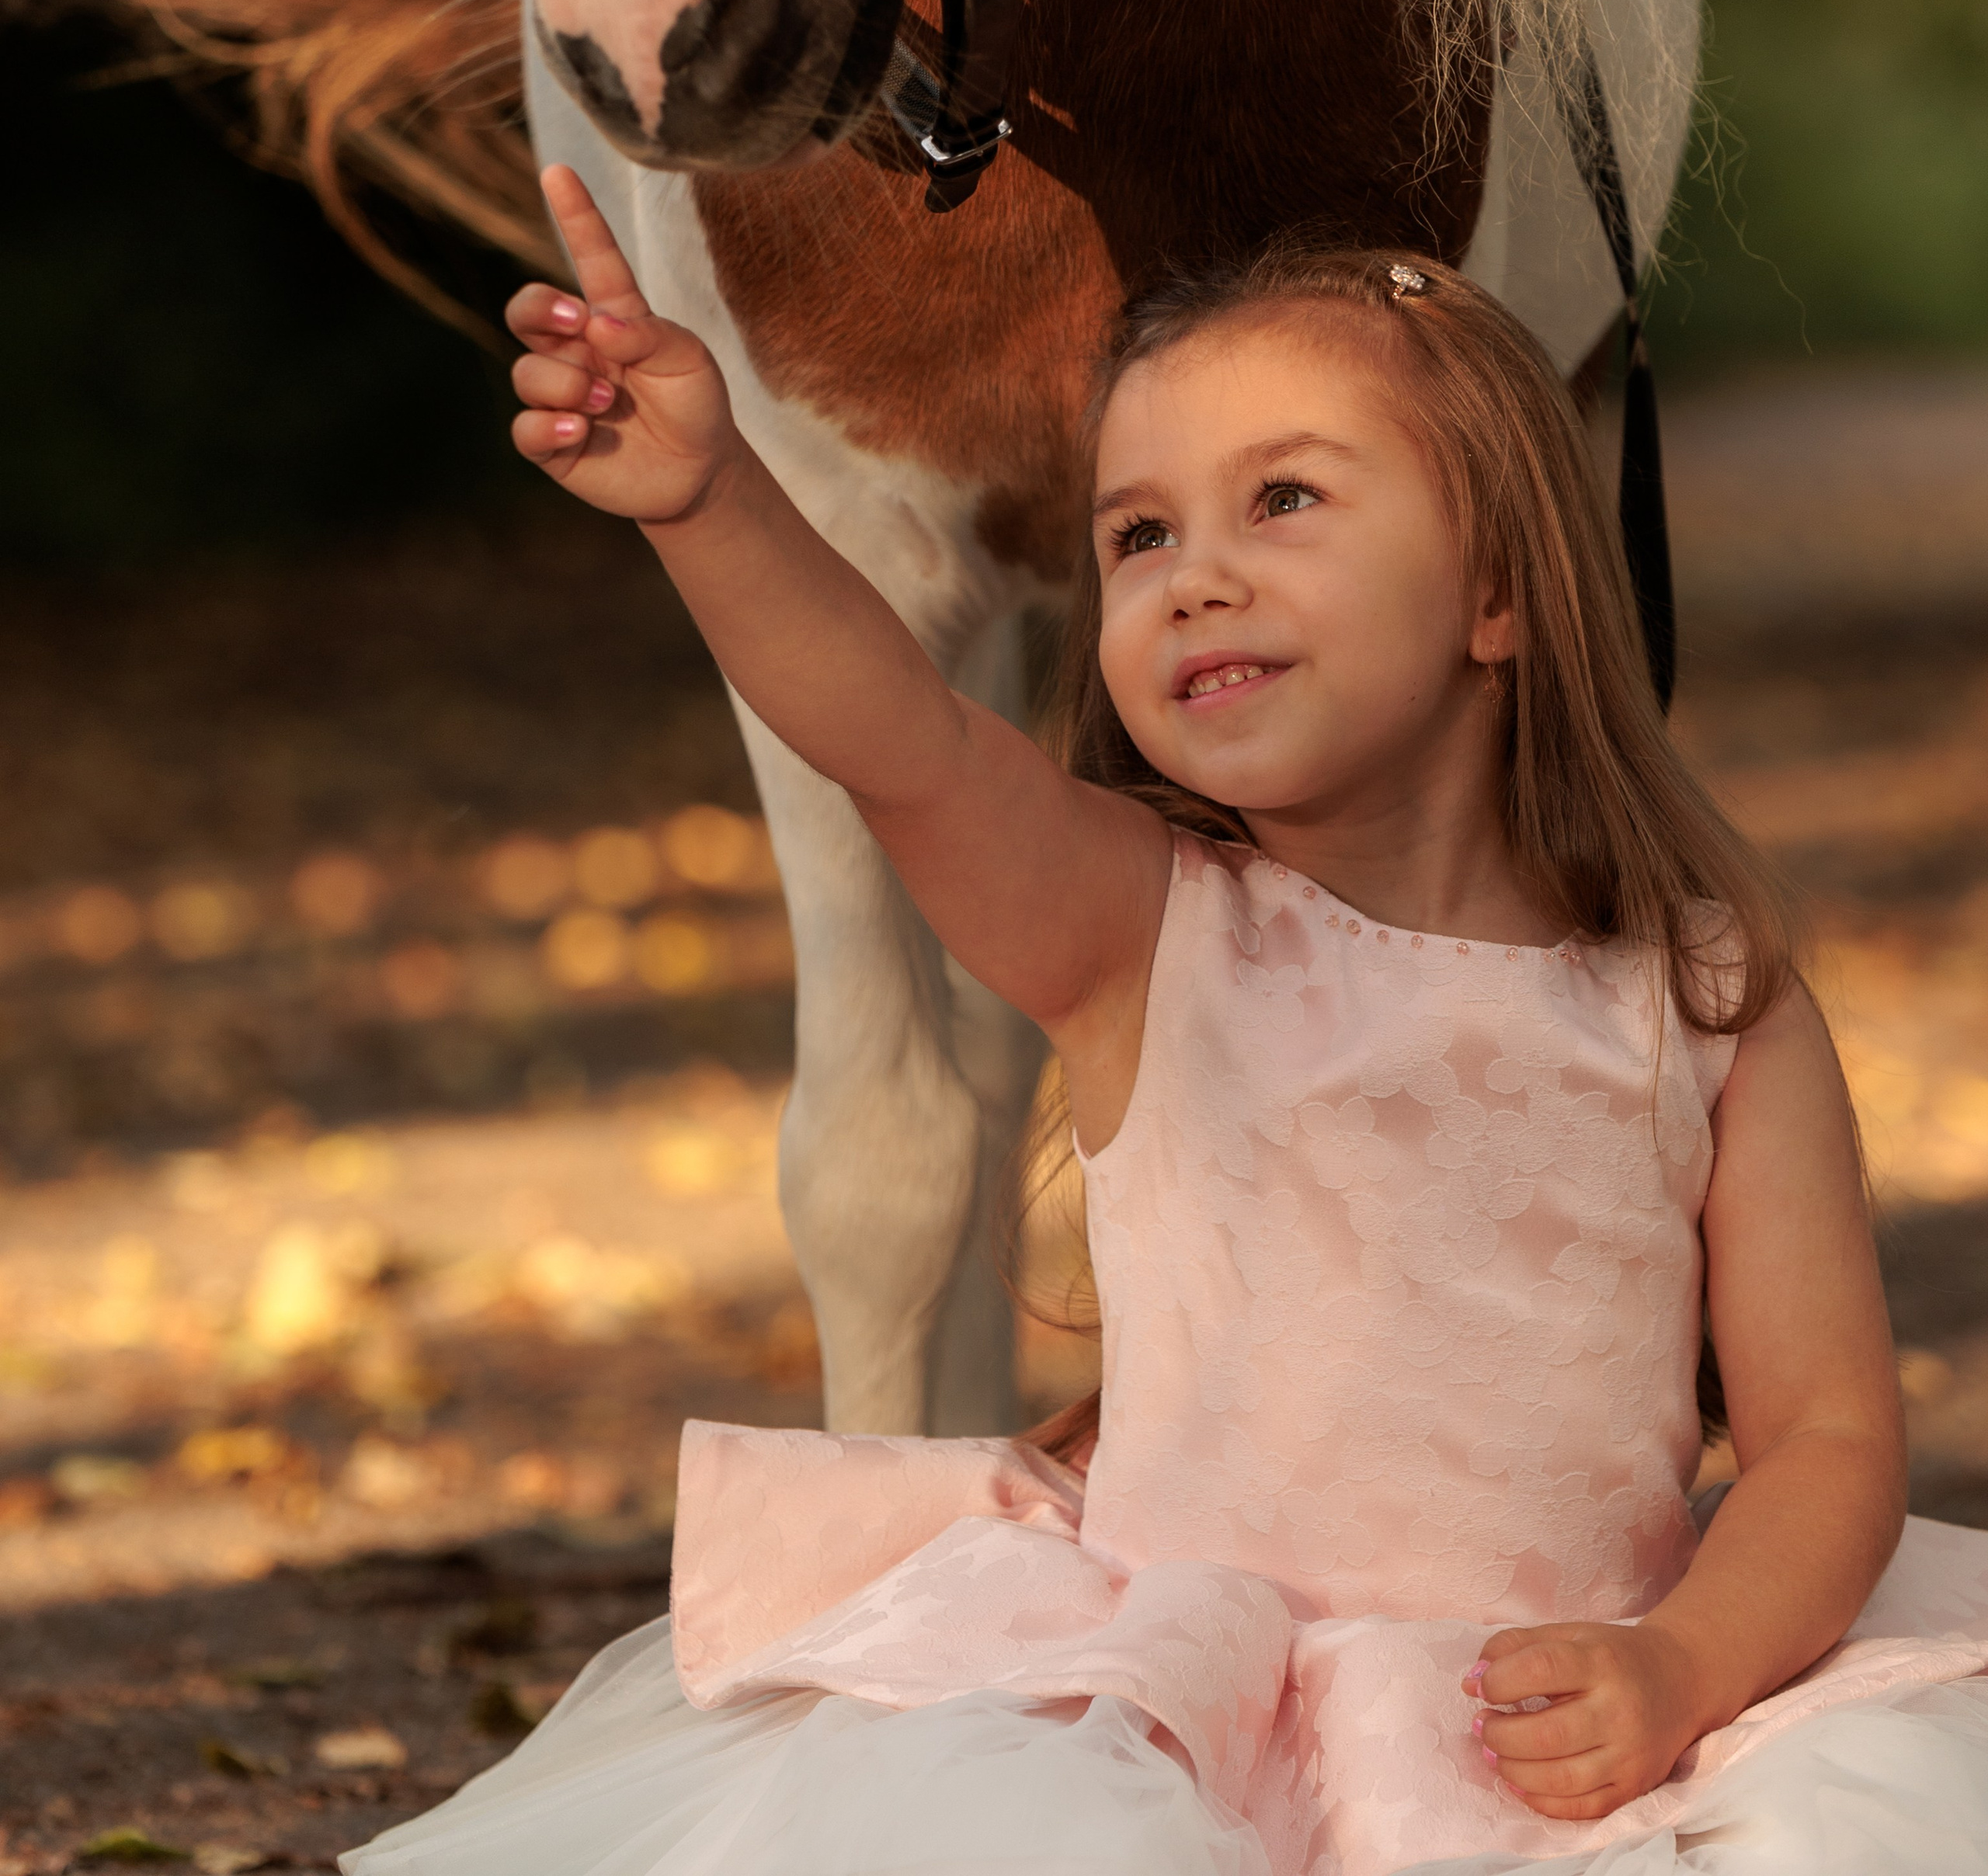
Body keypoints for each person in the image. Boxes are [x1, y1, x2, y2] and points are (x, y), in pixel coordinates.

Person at [348, 167, 1988, 1876]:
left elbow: (1822, 1439)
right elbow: (899, 735)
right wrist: (707, 501)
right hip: (1169, 1742)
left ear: (1495, 590)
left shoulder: (1705, 1003)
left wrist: (1681, 1668)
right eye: (1137, 535)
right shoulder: (1138, 929)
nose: (1194, 575)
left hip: (1568, 1718)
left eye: (1280, 498)